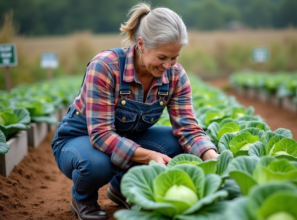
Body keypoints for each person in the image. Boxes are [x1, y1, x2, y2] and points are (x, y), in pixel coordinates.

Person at [51, 3, 219, 220]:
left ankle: (123, 188)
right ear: (141, 44)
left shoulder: (176, 76)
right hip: (82, 138)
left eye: (174, 57)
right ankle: (83, 198)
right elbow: (101, 135)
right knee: (96, 165)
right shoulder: (106, 66)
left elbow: (188, 129)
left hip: (127, 137)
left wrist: (213, 158)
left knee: (181, 147)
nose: (168, 65)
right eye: (162, 57)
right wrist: (149, 155)